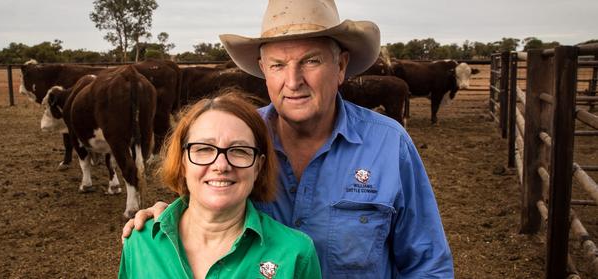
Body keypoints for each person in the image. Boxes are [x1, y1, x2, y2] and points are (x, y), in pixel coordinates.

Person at [124, 0, 455, 277]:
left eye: (311, 61)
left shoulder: (388, 144)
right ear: (263, 70)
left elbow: (428, 264)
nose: (293, 81)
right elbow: (202, 213)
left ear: (340, 66)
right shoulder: (237, 142)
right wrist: (166, 219)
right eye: (278, 65)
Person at [119, 92, 321, 278]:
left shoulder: (295, 254)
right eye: (204, 149)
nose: (221, 165)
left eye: (239, 150)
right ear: (182, 162)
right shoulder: (140, 241)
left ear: (258, 167)